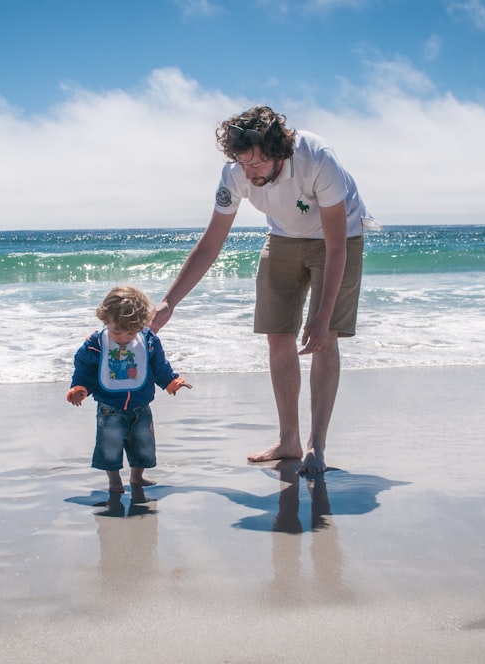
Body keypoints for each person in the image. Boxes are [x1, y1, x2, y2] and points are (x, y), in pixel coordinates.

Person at [150, 105, 377, 475]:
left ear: (279, 153)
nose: (248, 172)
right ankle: (288, 439)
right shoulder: (235, 174)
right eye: (242, 163)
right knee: (277, 335)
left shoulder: (317, 159)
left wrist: (322, 318)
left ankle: (315, 447)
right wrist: (169, 301)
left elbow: (337, 247)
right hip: (284, 237)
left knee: (325, 338)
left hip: (340, 237)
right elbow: (210, 244)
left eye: (255, 164)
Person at [68, 286, 191, 493]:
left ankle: (137, 477)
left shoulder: (148, 341)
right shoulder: (97, 343)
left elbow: (158, 366)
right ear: (105, 319)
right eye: (117, 331)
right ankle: (114, 481)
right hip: (109, 407)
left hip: (141, 406)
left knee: (143, 444)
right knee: (110, 445)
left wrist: (170, 381)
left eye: (131, 333)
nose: (124, 338)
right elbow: (85, 368)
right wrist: (80, 387)